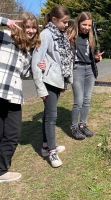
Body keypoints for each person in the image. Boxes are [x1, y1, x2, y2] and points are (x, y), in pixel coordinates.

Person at [0, 13, 43, 182]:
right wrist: (5, 21)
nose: (31, 31)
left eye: (34, 27)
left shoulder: (29, 49)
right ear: (20, 26)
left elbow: (24, 74)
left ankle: (1, 170)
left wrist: (38, 68)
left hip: (13, 95)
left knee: (13, 133)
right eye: (28, 27)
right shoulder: (4, 36)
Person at [31, 5, 72, 168]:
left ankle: (45, 147)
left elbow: (61, 61)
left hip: (56, 81)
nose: (66, 25)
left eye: (68, 22)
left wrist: (63, 82)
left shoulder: (60, 35)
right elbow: (36, 62)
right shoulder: (46, 34)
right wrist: (41, 89)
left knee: (48, 114)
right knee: (51, 117)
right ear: (54, 20)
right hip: (47, 82)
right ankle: (52, 152)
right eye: (64, 22)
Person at [66, 12, 104, 140]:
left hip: (90, 69)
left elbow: (90, 55)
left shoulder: (90, 37)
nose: (87, 27)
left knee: (87, 99)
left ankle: (82, 125)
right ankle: (74, 127)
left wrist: (97, 58)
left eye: (89, 25)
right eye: (84, 24)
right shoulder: (71, 35)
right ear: (78, 23)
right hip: (77, 69)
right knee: (79, 100)